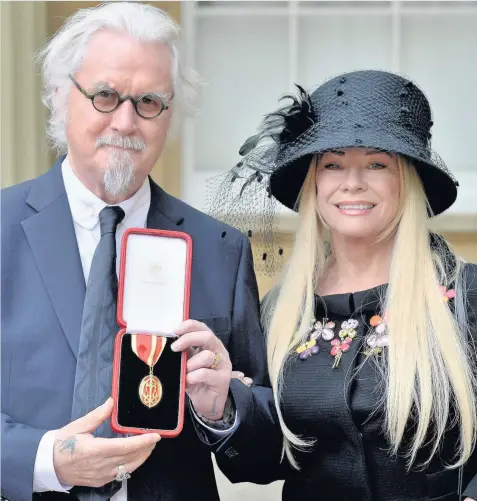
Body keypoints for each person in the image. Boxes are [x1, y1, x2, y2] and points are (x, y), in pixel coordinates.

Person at [0, 3, 264, 501]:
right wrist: (42, 460)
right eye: (105, 95)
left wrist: (222, 407)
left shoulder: (220, 250)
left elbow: (264, 454)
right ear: (61, 98)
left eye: (148, 102)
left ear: (169, 115)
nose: (125, 122)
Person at [177, 69, 477, 500]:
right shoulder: (281, 310)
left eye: (377, 163)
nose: (352, 182)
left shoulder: (465, 297)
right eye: (333, 164)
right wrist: (222, 404)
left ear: (406, 180)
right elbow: (265, 463)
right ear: (313, 183)